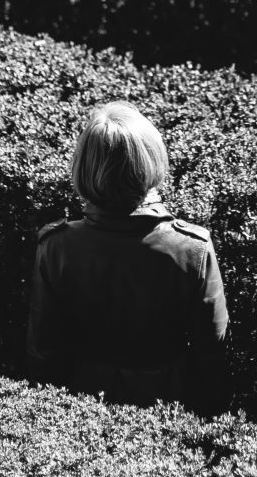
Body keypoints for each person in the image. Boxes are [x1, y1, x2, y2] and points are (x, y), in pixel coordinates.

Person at [27, 101, 229, 414]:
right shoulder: (192, 248)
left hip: (82, 405)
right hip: (168, 405)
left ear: (84, 166)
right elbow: (212, 354)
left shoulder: (57, 245)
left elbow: (44, 351)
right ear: (150, 160)